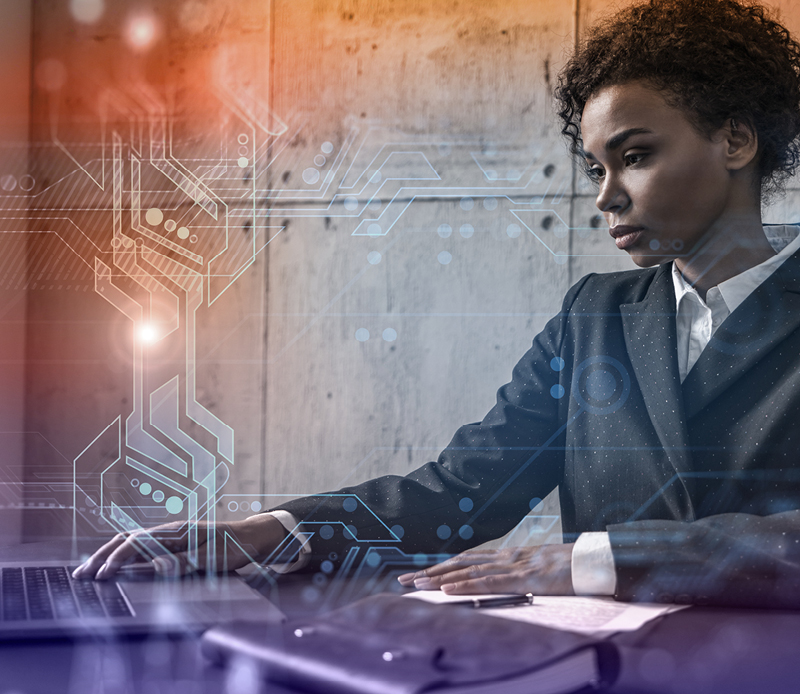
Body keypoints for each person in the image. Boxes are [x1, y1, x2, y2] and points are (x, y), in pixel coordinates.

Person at [75, 0, 800, 607]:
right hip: (594, 672)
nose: (606, 194)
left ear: (736, 139)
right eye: (596, 166)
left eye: (635, 156)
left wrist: (594, 562)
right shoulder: (595, 319)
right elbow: (464, 490)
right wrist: (272, 529)